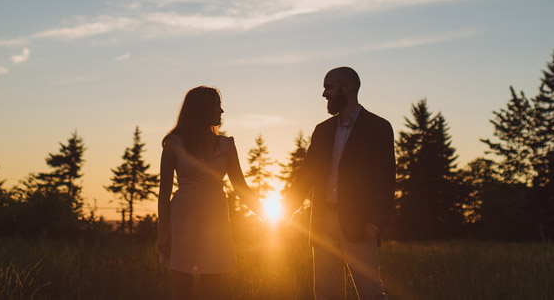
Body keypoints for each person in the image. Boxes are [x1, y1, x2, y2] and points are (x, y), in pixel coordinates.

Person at [284, 67, 395, 300]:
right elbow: (306, 175)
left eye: (328, 87)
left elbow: (385, 179)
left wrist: (376, 223)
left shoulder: (378, 127)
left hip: (360, 225)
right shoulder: (322, 130)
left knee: (371, 295)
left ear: (348, 87)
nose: (324, 94)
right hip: (322, 226)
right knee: (326, 295)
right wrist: (284, 212)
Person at [158, 86, 264, 300]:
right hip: (182, 221)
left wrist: (269, 217)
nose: (222, 111)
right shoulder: (174, 143)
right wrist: (163, 231)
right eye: (217, 105)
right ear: (201, 109)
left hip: (215, 224)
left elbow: (241, 187)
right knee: (182, 289)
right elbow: (164, 193)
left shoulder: (226, 145)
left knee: (212, 290)